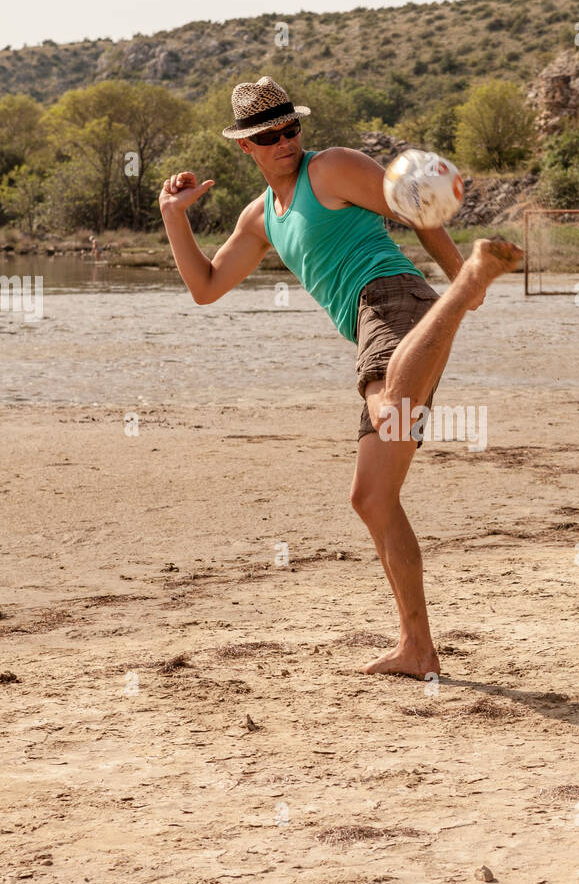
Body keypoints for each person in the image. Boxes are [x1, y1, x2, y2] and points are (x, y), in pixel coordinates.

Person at [159, 76, 522, 678]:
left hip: (390, 298)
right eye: (267, 135)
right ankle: (418, 649)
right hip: (390, 321)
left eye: (290, 128)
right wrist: (175, 217)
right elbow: (205, 288)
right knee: (373, 498)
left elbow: (416, 205)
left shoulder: (329, 169)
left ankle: (463, 290)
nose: (283, 141)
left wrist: (460, 270)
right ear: (244, 147)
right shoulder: (260, 219)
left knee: (384, 405)